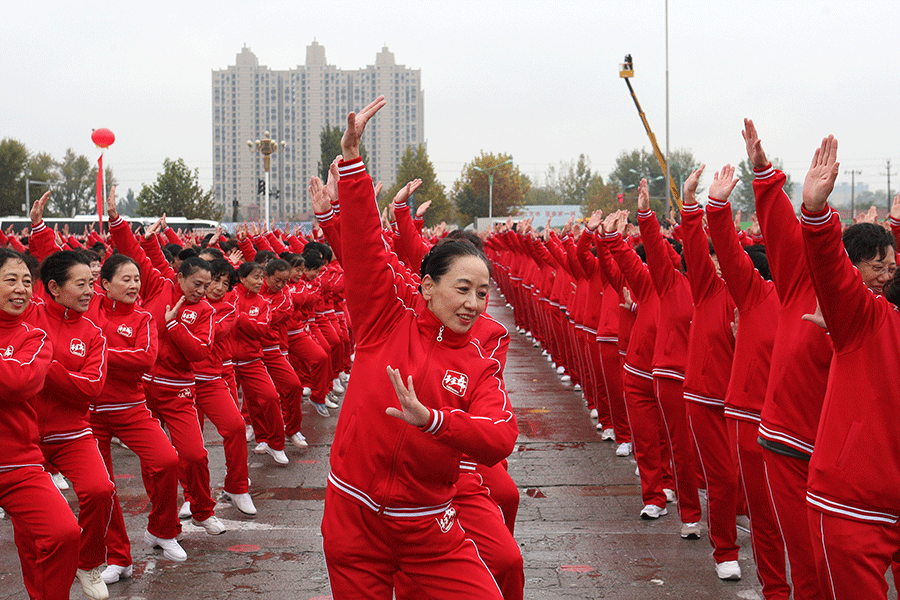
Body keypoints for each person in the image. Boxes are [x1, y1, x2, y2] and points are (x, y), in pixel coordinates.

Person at [321, 97, 517, 600]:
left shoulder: (479, 362)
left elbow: (499, 438)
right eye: (462, 289)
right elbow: (366, 249)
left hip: (428, 524)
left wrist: (432, 421)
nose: (474, 303)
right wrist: (352, 164)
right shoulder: (383, 320)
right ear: (427, 286)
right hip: (354, 516)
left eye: (482, 292)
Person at [800, 134, 900, 600]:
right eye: (878, 266)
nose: (885, 273)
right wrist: (817, 215)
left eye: (891, 268)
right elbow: (832, 272)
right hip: (853, 504)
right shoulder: (868, 318)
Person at [107, 199, 226, 540]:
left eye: (207, 286)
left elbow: (199, 352)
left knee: (194, 453)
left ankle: (203, 510)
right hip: (143, 390)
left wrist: (175, 327)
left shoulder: (205, 311)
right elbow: (137, 254)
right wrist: (116, 220)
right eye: (197, 284)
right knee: (156, 462)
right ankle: (162, 525)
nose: (202, 291)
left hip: (178, 390)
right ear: (179, 277)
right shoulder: (159, 286)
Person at [88, 252, 185, 581]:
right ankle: (119, 557)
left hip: (131, 408)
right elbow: (57, 280)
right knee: (104, 487)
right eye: (125, 279)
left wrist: (98, 350)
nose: (133, 285)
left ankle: (162, 529)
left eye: (136, 279)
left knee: (168, 459)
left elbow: (144, 359)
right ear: (105, 284)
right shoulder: (89, 309)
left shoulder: (142, 319)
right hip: (90, 415)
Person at [0, 246, 81, 600]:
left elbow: (21, 383)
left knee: (63, 532)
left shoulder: (34, 337)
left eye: (25, 282)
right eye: (10, 280)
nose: (20, 289)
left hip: (18, 462)